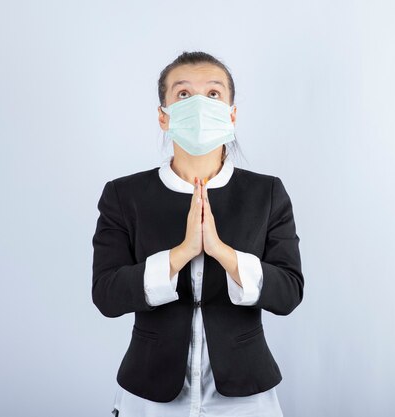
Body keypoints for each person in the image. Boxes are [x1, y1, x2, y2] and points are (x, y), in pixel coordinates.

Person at [91, 51, 304, 417]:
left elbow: (288, 293)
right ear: (163, 115)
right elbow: (107, 295)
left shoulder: (266, 194)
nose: (200, 105)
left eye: (214, 94)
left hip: (245, 395)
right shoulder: (124, 195)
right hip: (149, 394)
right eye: (184, 94)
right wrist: (181, 252)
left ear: (232, 114)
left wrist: (222, 252)